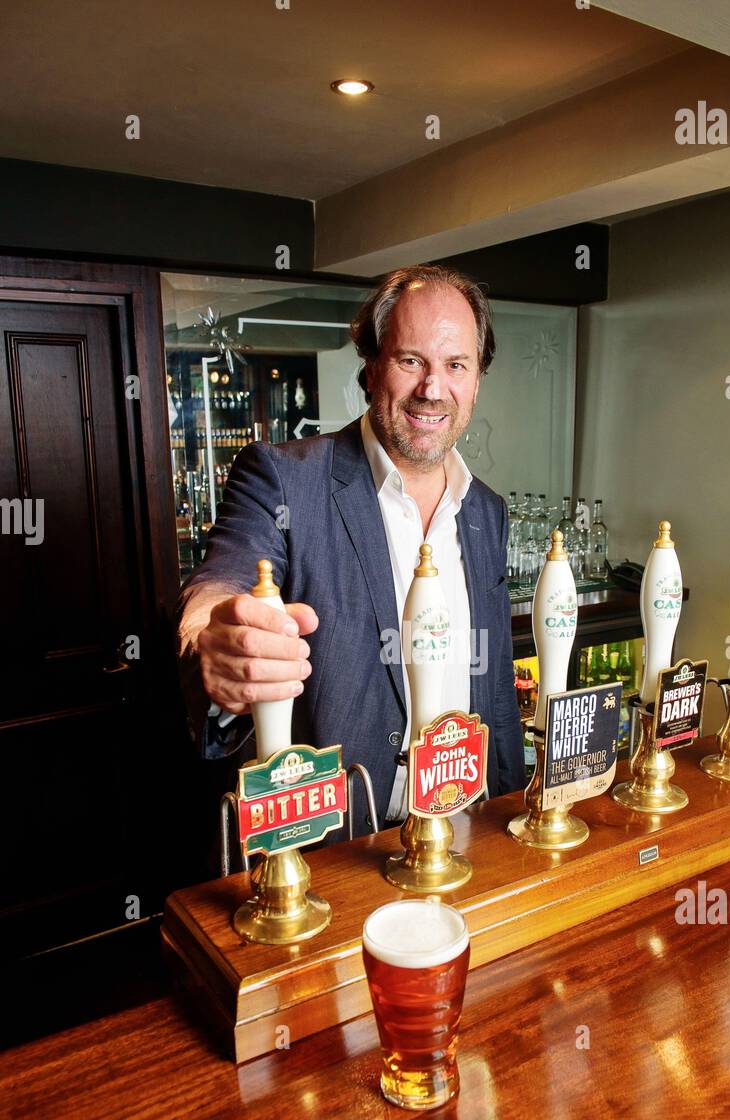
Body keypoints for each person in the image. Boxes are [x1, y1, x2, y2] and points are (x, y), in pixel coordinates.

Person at [177, 263, 524, 837]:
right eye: (410, 360)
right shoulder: (284, 480)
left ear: (477, 380)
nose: (433, 389)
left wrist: (509, 817)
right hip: (341, 848)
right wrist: (214, 641)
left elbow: (495, 687)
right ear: (370, 366)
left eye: (456, 365)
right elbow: (220, 586)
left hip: (472, 830)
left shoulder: (486, 510)